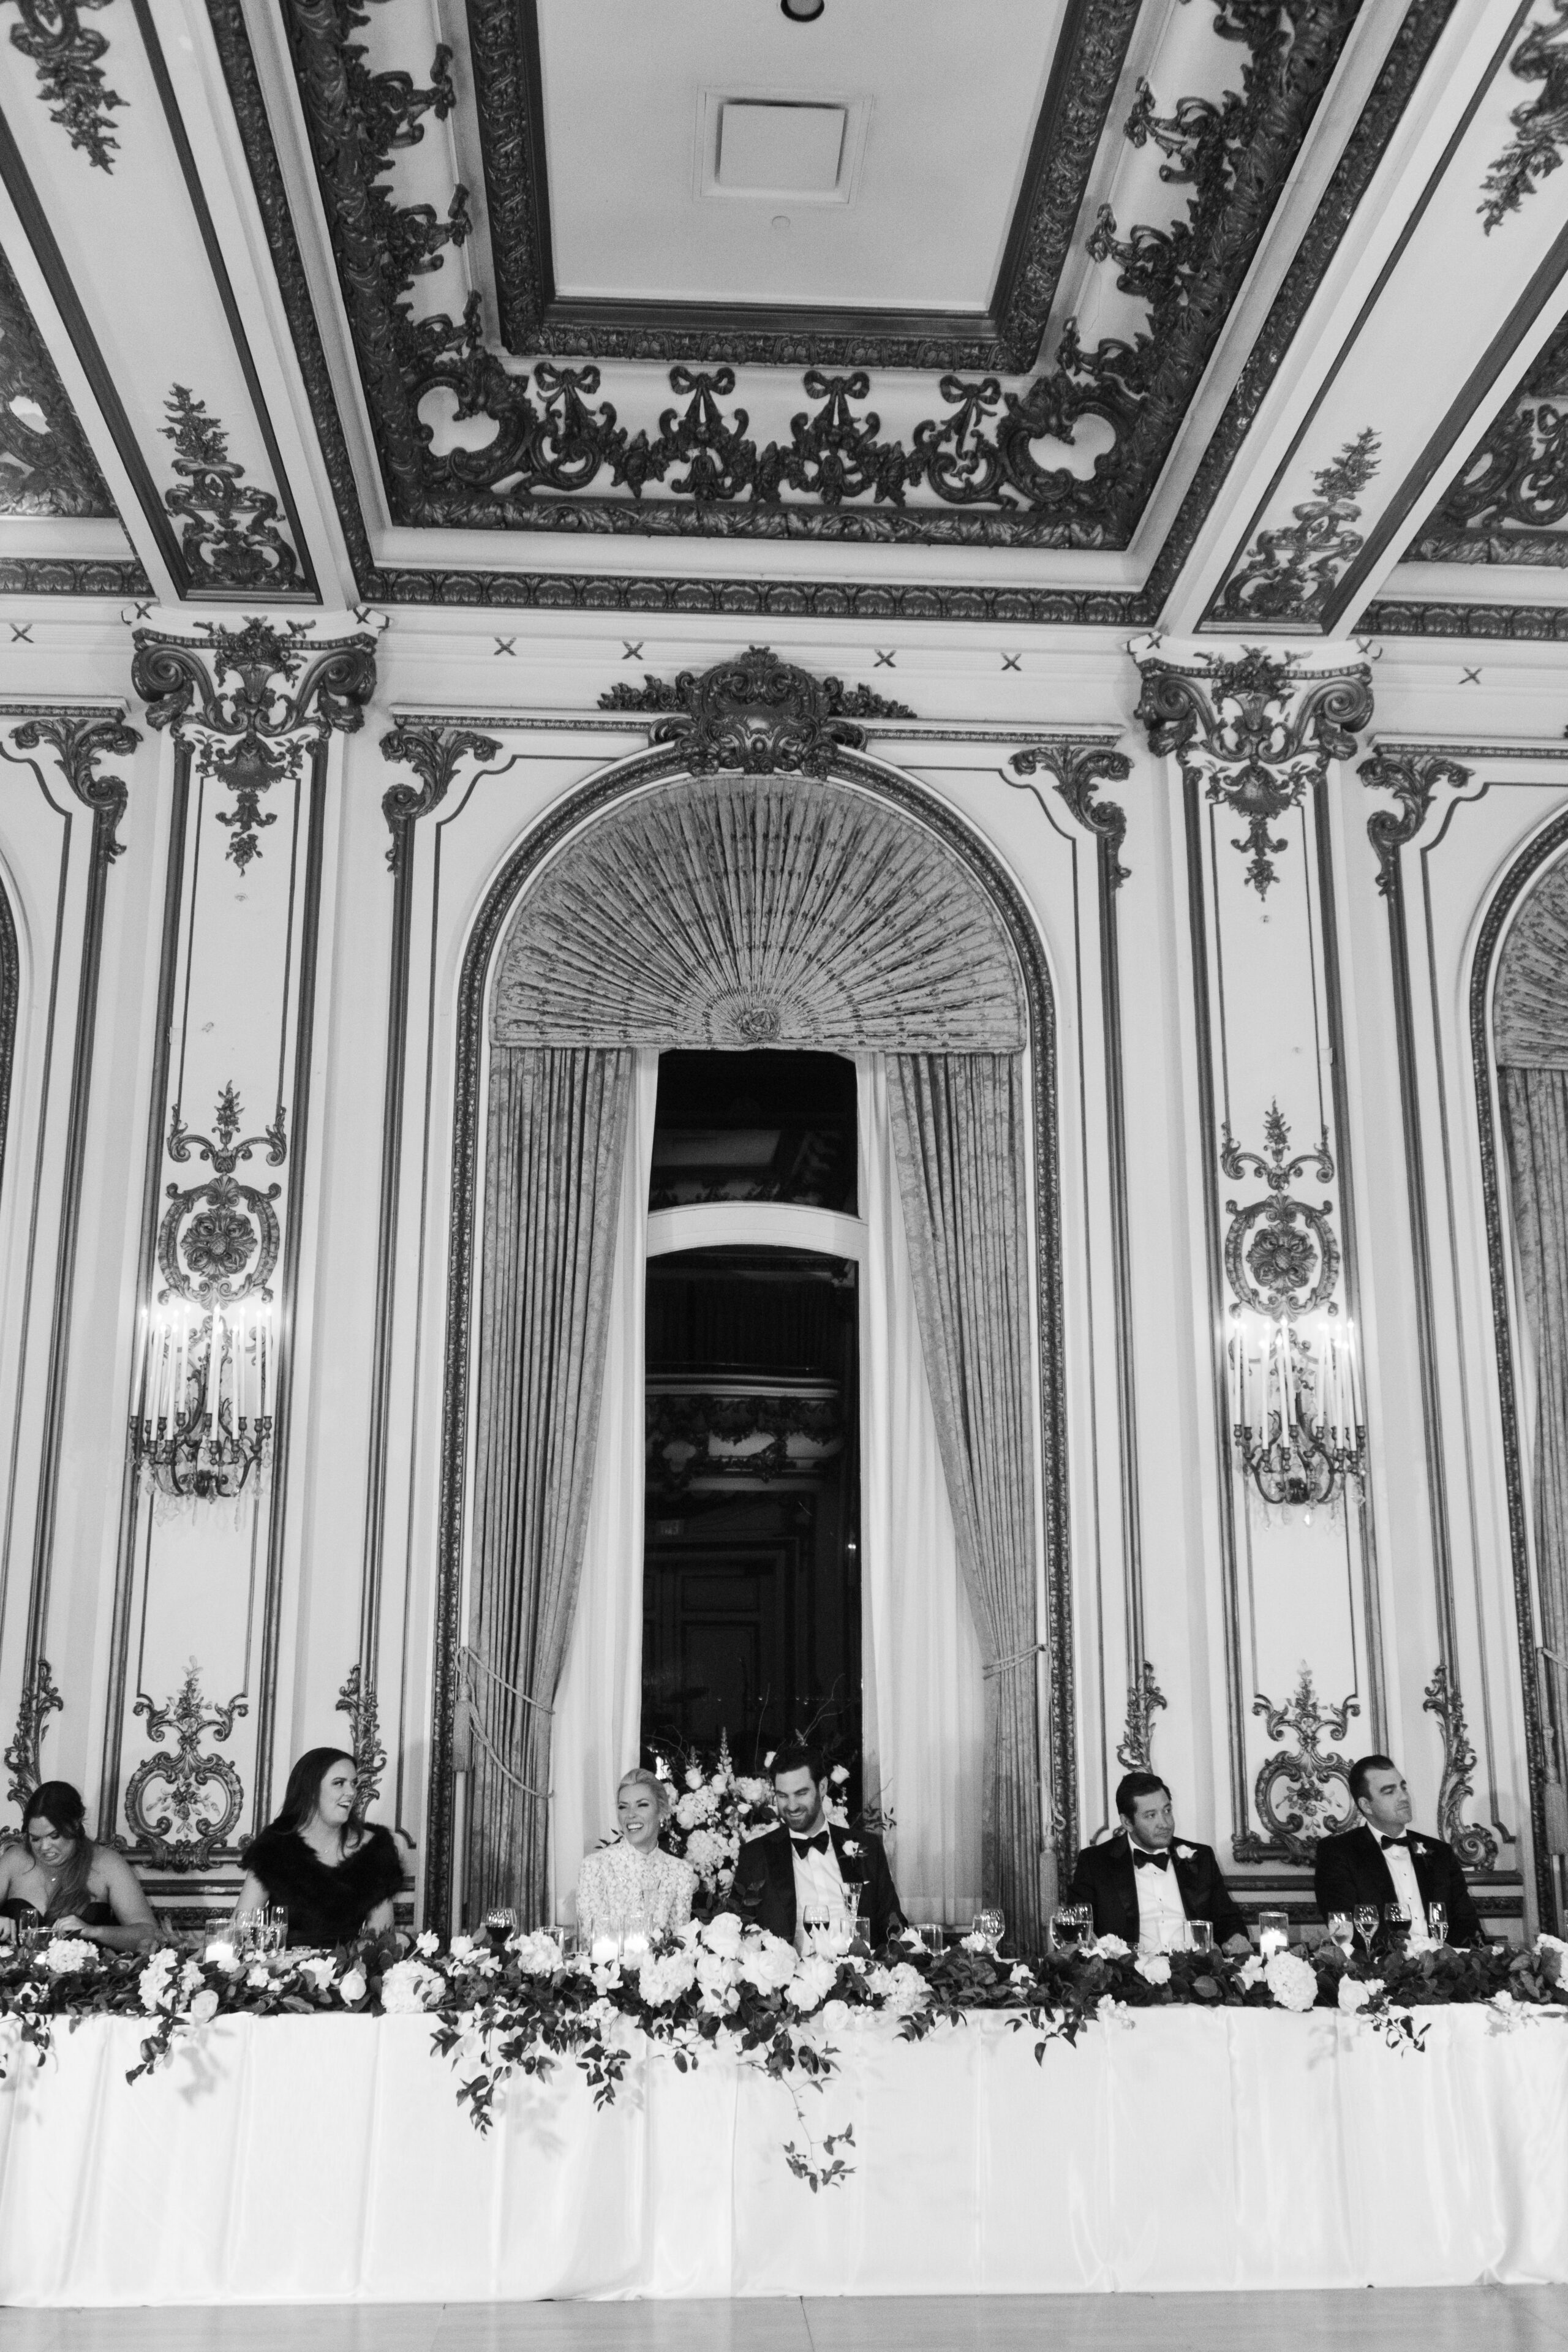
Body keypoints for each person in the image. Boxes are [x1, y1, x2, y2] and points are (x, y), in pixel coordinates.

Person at [724, 1741, 903, 1949]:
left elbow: (894, 1925)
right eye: (783, 1796)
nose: (791, 1806)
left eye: (801, 1793)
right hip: (789, 1978)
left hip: (862, 1976)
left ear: (823, 1787)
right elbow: (736, 1932)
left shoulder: (868, 1848)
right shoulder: (755, 1856)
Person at [235, 1747, 403, 1949]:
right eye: (339, 1783)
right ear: (311, 1790)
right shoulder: (274, 1847)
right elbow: (240, 1930)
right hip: (283, 1974)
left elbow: (381, 1941)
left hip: (349, 1973)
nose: (351, 1792)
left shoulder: (373, 1849)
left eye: (353, 1783)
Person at [1313, 1754, 1483, 1947]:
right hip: (1380, 1972)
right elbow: (1344, 1930)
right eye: (1389, 1791)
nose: (1403, 1797)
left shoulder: (1440, 1853)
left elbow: (1468, 1925)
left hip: (1446, 1970)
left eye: (1403, 1787)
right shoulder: (1339, 1853)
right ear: (1366, 1805)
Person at [1068, 1771, 1249, 1953]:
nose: (1164, 1823)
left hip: (1195, 1973)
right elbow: (1079, 1929)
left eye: (1167, 1810)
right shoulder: (1095, 1863)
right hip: (1128, 1976)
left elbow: (1228, 1921)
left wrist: (1236, 1939)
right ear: (1127, 1822)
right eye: (1151, 1816)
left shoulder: (1202, 1857)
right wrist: (1082, 1938)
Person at [0, 1780, 159, 1952]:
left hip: (88, 1978)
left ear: (75, 1825)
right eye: (35, 1838)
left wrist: (94, 1932)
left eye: (54, 1836)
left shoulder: (108, 1864)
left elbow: (150, 1935)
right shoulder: (14, 1859)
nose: (44, 1847)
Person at [576, 1766, 695, 1938]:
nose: (631, 1815)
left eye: (642, 1805)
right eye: (623, 1807)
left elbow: (679, 1947)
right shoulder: (595, 1867)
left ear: (661, 1811)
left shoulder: (680, 1871)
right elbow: (592, 1945)